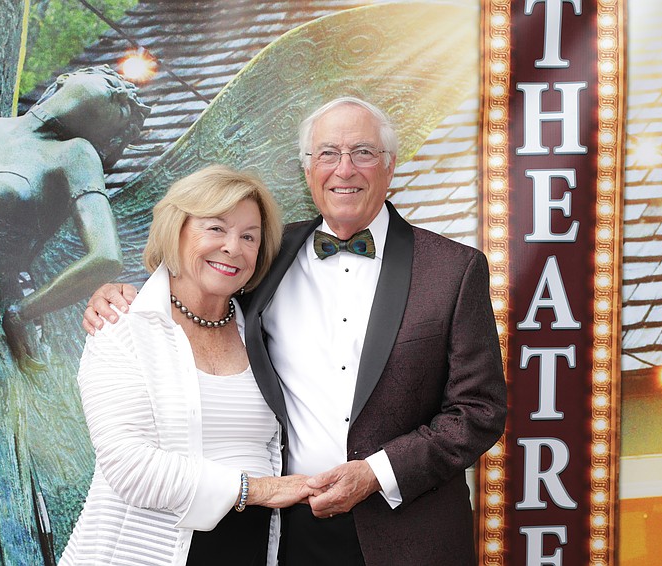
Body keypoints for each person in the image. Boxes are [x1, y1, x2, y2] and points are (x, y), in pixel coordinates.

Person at [83, 97, 507, 566]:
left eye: (363, 152)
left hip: (409, 533)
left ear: (389, 165)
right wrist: (120, 294)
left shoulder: (453, 269)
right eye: (327, 153)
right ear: (307, 169)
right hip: (284, 534)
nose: (344, 169)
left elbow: (479, 409)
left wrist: (376, 473)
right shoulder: (265, 256)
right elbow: (198, 281)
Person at [0, 65, 149, 564]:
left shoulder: (73, 155)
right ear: (64, 81)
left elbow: (105, 256)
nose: (120, 97)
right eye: (112, 85)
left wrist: (22, 311)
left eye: (125, 109)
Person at [61, 165, 315, 566]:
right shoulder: (122, 325)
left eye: (249, 236)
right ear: (175, 230)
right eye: (215, 228)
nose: (233, 247)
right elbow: (129, 466)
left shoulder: (263, 329)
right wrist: (260, 490)